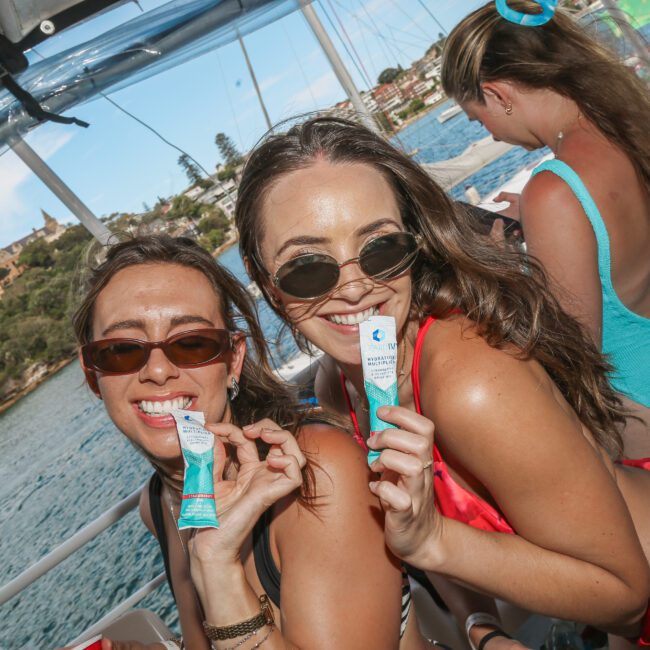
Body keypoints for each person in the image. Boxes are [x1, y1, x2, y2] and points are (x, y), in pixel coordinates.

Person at [234, 115, 650, 647]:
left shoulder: (471, 382)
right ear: (265, 280)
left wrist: (431, 540)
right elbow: (418, 521)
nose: (357, 288)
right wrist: (480, 626)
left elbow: (625, 592)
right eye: (309, 267)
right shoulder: (335, 389)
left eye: (380, 249)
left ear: (414, 242)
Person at [69, 235, 428, 650]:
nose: (159, 370)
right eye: (121, 350)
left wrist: (217, 569)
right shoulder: (159, 503)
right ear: (93, 373)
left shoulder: (317, 472)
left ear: (232, 359)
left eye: (191, 342)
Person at [440, 0, 650, 457]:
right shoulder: (628, 124)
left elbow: (571, 362)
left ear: (498, 94)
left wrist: (499, 272)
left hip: (637, 430)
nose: (491, 134)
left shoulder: (555, 191)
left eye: (480, 119)